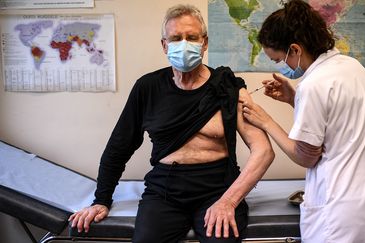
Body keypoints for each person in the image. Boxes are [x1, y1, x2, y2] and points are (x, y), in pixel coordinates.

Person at [69, 4, 274, 243]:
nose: (184, 44)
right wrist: (101, 200)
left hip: (218, 189)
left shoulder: (227, 87)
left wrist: (228, 201)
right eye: (176, 38)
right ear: (164, 45)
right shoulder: (147, 88)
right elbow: (119, 147)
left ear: (204, 43)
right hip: (164, 191)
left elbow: (263, 151)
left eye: (192, 37)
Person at [241, 1, 365, 242]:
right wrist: (293, 99)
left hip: (343, 213)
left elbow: (306, 156)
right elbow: (337, 122)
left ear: (295, 49)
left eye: (279, 60)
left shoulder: (314, 85)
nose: (282, 67)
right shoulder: (353, 67)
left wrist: (266, 121)